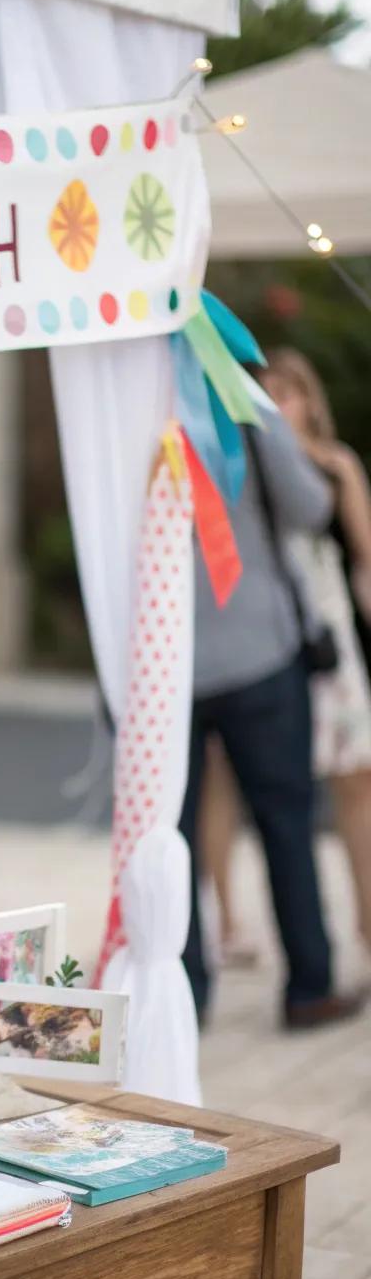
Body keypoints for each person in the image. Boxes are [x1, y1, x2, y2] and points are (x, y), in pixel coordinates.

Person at [180, 402, 367, 1029]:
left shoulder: (125, 410)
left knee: (173, 833)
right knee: (286, 822)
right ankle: (309, 987)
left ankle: (183, 998)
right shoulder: (242, 406)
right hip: (260, 648)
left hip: (164, 659)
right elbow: (311, 508)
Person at [265, 348, 371, 949]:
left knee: (356, 780)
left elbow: (364, 557)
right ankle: (249, 925)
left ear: (309, 399)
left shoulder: (335, 466)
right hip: (275, 645)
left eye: (290, 391)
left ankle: (367, 921)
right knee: (281, 792)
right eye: (270, 392)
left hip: (331, 639)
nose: (281, 403)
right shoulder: (250, 467)